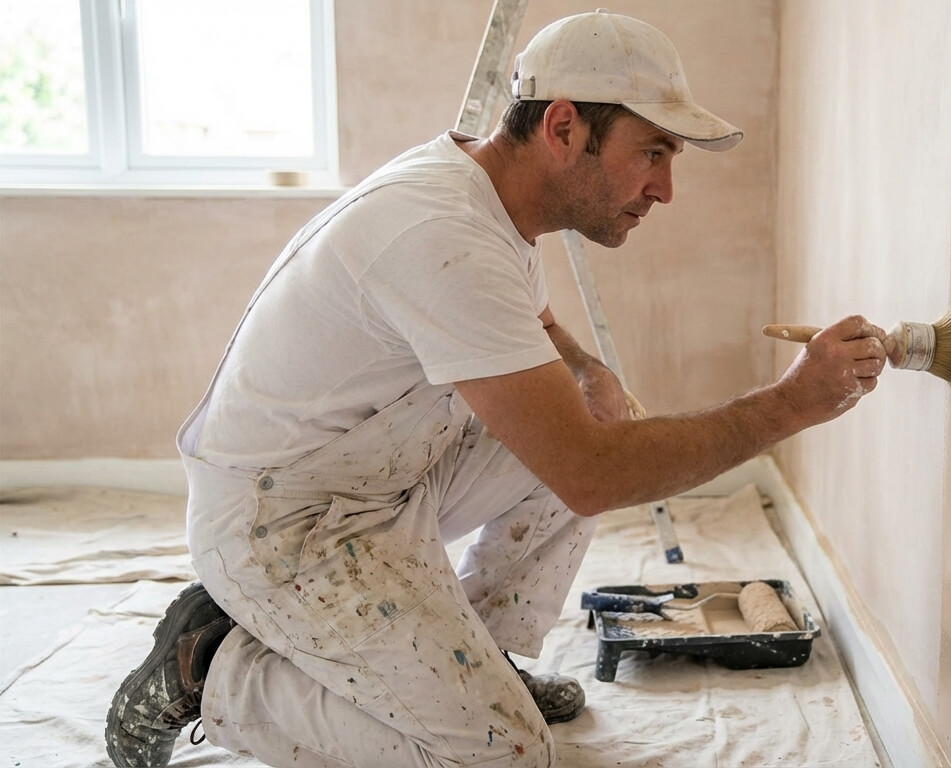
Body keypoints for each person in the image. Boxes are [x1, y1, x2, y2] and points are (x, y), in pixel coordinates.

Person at [105, 9, 886, 768]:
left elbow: (534, 317)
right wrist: (789, 404)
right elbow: (594, 474)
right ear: (564, 127)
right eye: (652, 152)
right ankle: (211, 670)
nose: (666, 189)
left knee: (586, 417)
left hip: (374, 477)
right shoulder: (440, 231)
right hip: (283, 525)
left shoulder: (491, 194)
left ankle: (475, 656)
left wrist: (587, 370)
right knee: (503, 754)